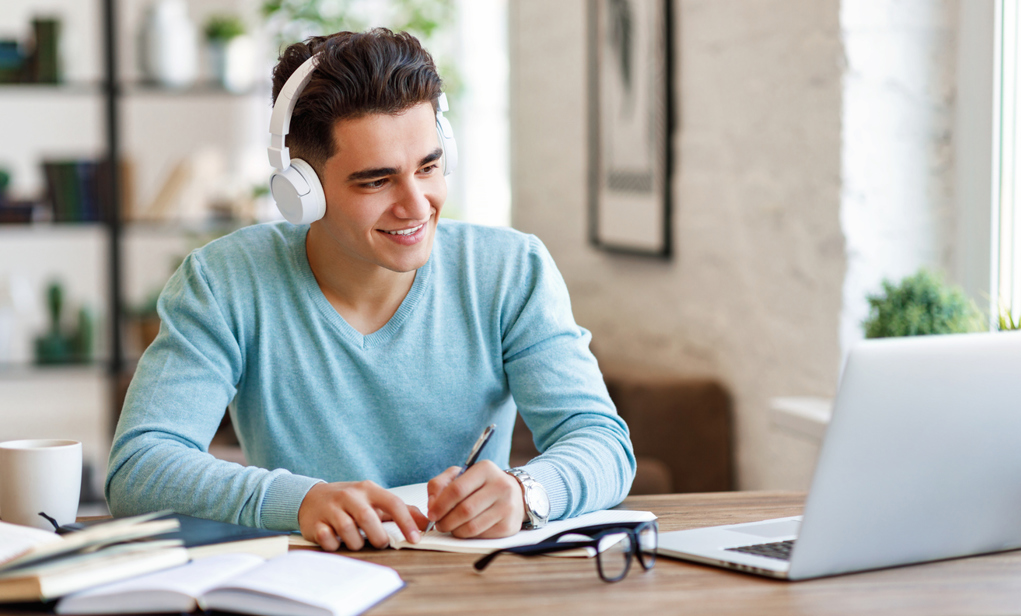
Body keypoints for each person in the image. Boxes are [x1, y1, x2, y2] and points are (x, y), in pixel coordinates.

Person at [105, 28, 635, 552]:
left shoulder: (511, 270)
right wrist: (302, 500)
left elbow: (602, 441)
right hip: (307, 584)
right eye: (376, 181)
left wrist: (527, 492)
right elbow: (140, 468)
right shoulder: (224, 282)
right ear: (302, 191)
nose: (416, 204)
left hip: (470, 585)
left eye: (429, 167)